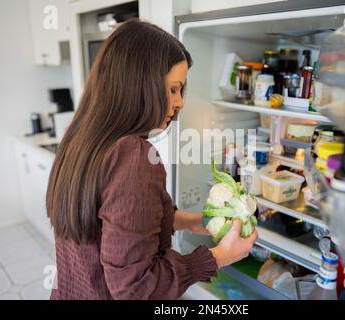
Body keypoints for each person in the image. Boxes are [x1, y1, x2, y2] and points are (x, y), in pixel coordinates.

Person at [46, 19, 257, 300]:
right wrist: (217, 257)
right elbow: (135, 288)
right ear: (140, 84)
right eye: (173, 89)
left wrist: (186, 221)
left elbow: (109, 227)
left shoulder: (80, 137)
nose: (180, 101)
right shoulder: (132, 156)